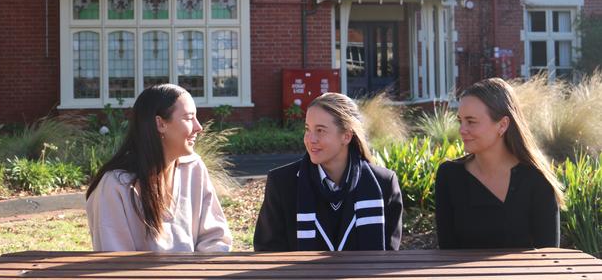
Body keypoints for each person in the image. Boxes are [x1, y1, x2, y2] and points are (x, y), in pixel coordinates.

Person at [85, 84, 232, 252]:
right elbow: (115, 261)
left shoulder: (193, 168)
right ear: (160, 123)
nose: (199, 127)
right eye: (189, 118)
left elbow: (215, 237)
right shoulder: (115, 185)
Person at [254, 92, 403, 251]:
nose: (310, 139)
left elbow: (388, 256)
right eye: (307, 129)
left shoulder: (383, 184)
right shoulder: (282, 183)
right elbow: (267, 251)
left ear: (346, 136)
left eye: (320, 130)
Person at [435, 78, 564, 249]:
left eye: (471, 121)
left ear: (502, 125)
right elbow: (446, 250)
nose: (462, 129)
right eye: (461, 121)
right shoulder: (449, 176)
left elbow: (548, 256)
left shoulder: (536, 179)